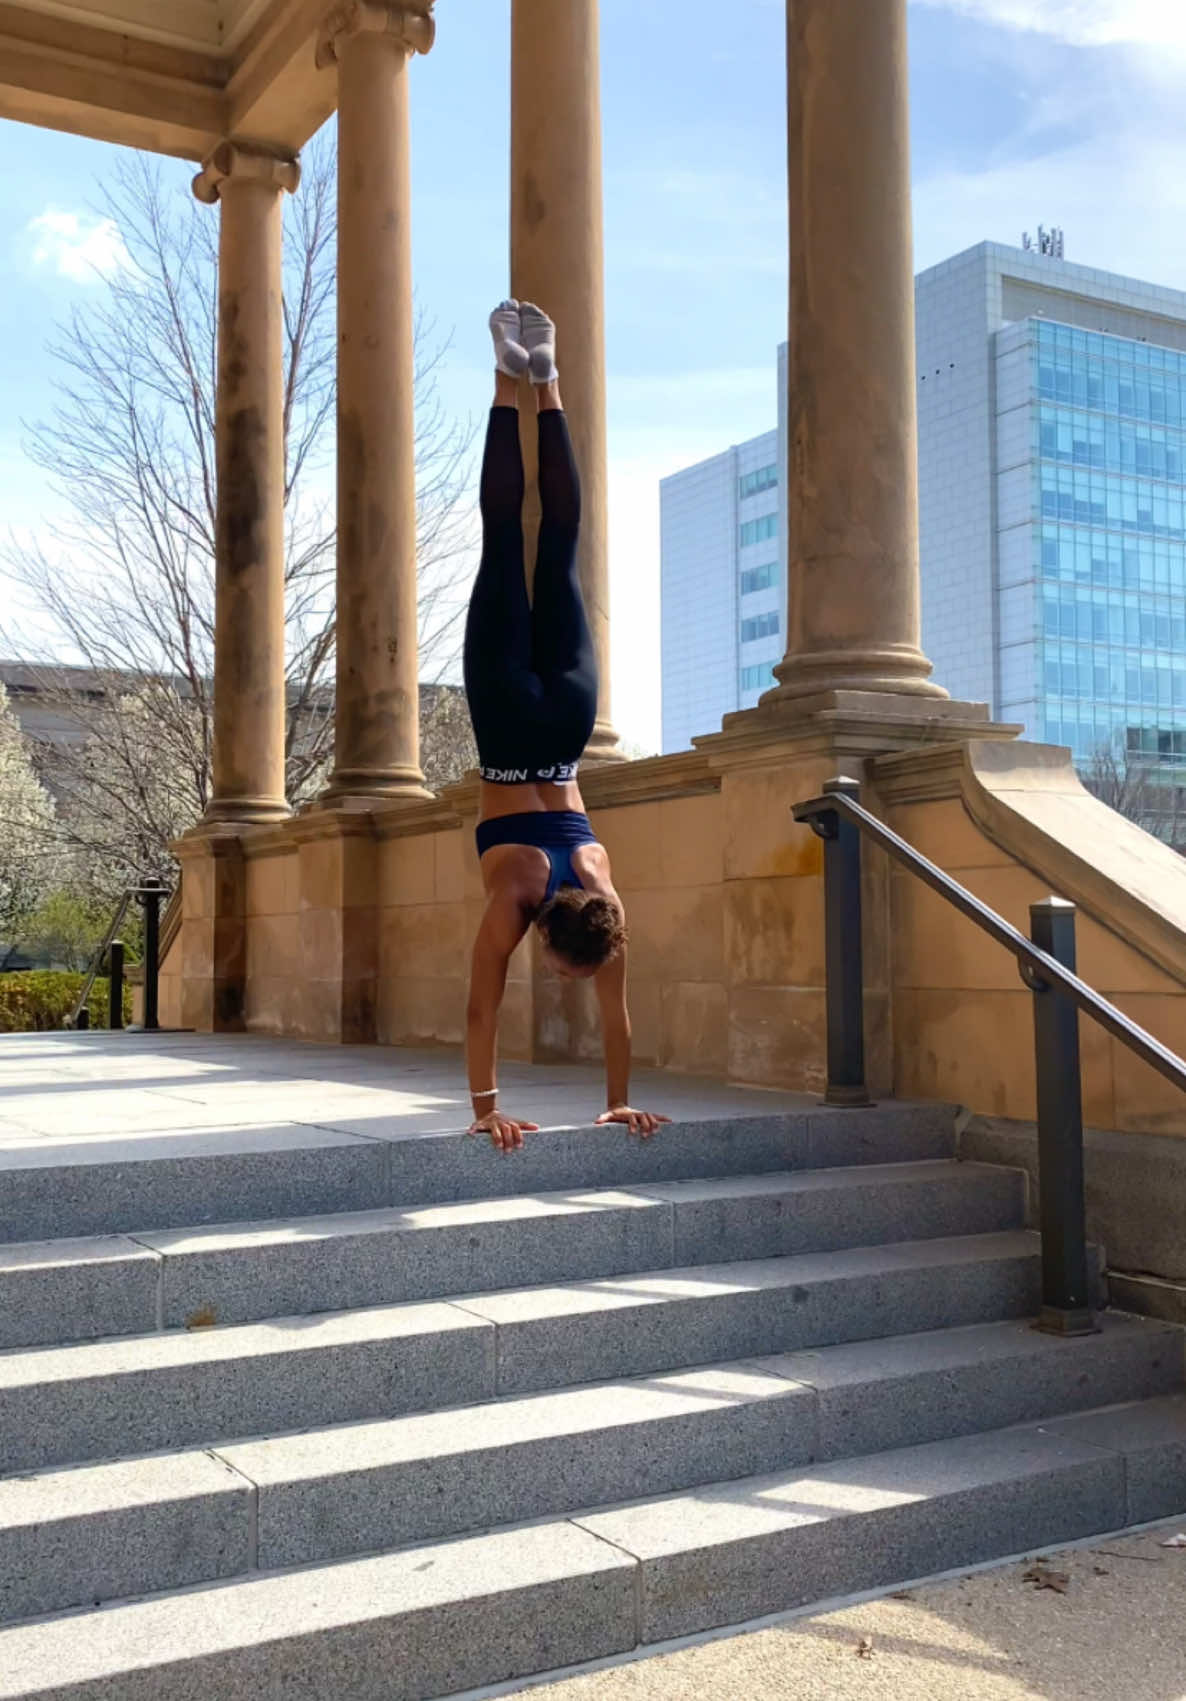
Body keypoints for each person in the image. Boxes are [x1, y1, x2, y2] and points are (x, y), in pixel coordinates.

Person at [463, 300, 670, 1153]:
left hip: (567, 719)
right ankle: (508, 377)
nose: (564, 982)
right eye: (565, 971)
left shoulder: (607, 898)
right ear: (551, 933)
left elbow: (619, 1021)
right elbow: (481, 1005)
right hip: (509, 722)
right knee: (504, 540)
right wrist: (485, 1109)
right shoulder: (517, 894)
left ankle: (545, 382)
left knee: (564, 544)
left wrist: (621, 1096)